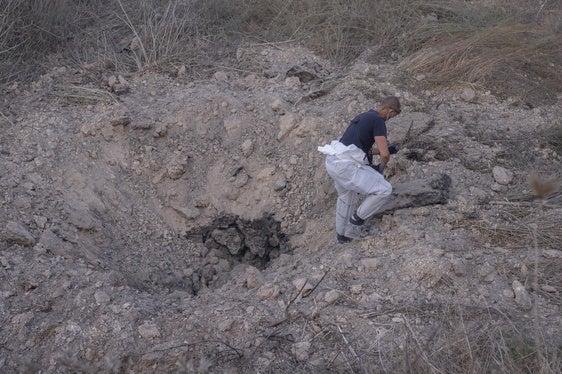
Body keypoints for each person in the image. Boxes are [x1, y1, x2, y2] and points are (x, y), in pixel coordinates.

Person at [318, 96, 401, 243]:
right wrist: (380, 168)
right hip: (345, 166)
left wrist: (388, 149)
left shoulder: (364, 116)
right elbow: (385, 155)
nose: (391, 118)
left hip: (334, 161)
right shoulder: (378, 120)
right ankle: (356, 223)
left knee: (346, 196)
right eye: (394, 114)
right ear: (388, 110)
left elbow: (359, 148)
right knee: (384, 190)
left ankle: (342, 236)